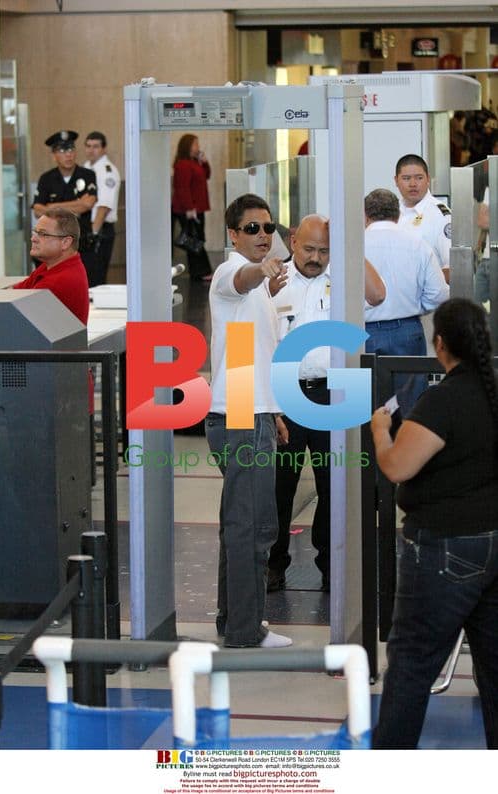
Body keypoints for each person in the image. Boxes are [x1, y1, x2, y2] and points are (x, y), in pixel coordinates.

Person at [370, 297, 498, 749]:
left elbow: (398, 467)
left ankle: (389, 769)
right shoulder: (491, 392)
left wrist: (381, 433)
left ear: (439, 344)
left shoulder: (441, 401)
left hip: (445, 549)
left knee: (411, 664)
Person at [268, 214, 386, 593]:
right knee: (276, 486)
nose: (316, 257)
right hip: (281, 394)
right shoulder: (272, 281)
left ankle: (332, 564)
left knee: (336, 484)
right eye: (309, 248)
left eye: (325, 249)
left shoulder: (345, 278)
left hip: (338, 390)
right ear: (291, 242)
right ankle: (272, 564)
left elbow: (378, 295)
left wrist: (350, 242)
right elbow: (246, 341)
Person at [205, 193, 291, 648]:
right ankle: (244, 629)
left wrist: (271, 411)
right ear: (234, 234)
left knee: (243, 524)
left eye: (268, 227)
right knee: (253, 527)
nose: (263, 235)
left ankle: (234, 622)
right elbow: (240, 277)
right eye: (252, 228)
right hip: (239, 412)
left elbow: (250, 356)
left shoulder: (258, 292)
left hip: (247, 406)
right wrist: (262, 270)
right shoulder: (229, 272)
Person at [364, 188, 449, 411]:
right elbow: (439, 293)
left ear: (365, 216)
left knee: (366, 407)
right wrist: (415, 308)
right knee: (411, 407)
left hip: (362, 332)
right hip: (408, 331)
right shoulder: (417, 243)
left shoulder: (354, 246)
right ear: (398, 214)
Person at [33, 130, 97, 280]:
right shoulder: (46, 179)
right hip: (53, 248)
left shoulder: (87, 175)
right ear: (54, 155)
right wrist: (76, 204)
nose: (68, 154)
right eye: (62, 151)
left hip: (82, 244)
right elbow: (37, 210)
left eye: (71, 149)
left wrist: (51, 207)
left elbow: (87, 204)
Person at [13, 207, 89, 324]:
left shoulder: (57, 282)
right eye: (35, 232)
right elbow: (15, 292)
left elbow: (12, 318)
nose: (33, 239)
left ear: (66, 242)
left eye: (43, 234)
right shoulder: (53, 265)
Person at [395, 154, 451, 283]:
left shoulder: (441, 216)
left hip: (426, 300)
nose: (413, 184)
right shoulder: (392, 211)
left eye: (419, 178)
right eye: (406, 178)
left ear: (428, 180)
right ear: (396, 181)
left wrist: (416, 283)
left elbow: (452, 269)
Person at [172, 134, 213, 282]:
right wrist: (189, 208)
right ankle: (201, 271)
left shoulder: (194, 163)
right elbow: (182, 188)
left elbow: (206, 175)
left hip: (197, 208)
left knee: (196, 239)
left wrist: (205, 162)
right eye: (195, 144)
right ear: (188, 146)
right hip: (189, 209)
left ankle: (200, 271)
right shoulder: (183, 165)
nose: (198, 147)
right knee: (195, 239)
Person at [83, 131, 121, 287]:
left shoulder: (107, 172)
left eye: (96, 146)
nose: (91, 150)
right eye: (88, 146)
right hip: (85, 227)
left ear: (104, 149)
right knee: (84, 276)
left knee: (95, 277)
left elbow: (103, 207)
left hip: (99, 229)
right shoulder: (85, 168)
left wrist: (93, 235)